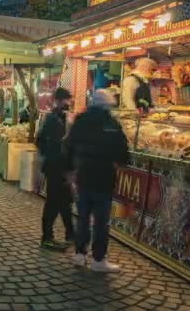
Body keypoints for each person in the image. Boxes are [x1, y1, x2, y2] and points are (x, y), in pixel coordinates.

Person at [68, 90, 129, 273]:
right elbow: (122, 151)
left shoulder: (81, 120)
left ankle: (79, 254)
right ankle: (98, 259)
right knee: (101, 221)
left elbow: (69, 145)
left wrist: (71, 169)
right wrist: (122, 162)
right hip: (103, 178)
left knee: (83, 217)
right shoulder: (111, 124)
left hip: (84, 175)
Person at [36, 87, 75, 251]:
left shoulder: (58, 118)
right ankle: (47, 237)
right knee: (53, 203)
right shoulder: (54, 120)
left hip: (58, 167)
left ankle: (70, 234)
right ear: (59, 101)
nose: (69, 104)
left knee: (64, 202)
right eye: (66, 101)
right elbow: (47, 142)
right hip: (56, 167)